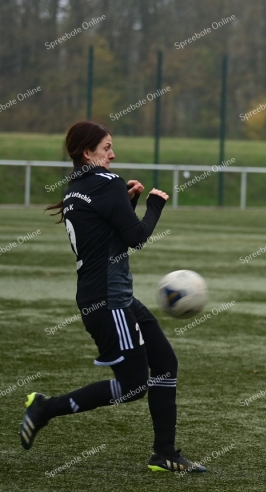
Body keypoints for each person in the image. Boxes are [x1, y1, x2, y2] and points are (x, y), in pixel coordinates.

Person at [22, 121, 206, 473]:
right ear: (87, 153)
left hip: (108, 297)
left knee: (165, 365)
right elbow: (136, 237)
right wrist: (154, 205)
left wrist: (129, 201)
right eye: (106, 147)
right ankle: (45, 408)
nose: (113, 154)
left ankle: (164, 452)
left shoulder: (77, 188)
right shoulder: (107, 182)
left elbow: (109, 234)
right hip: (110, 302)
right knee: (134, 384)